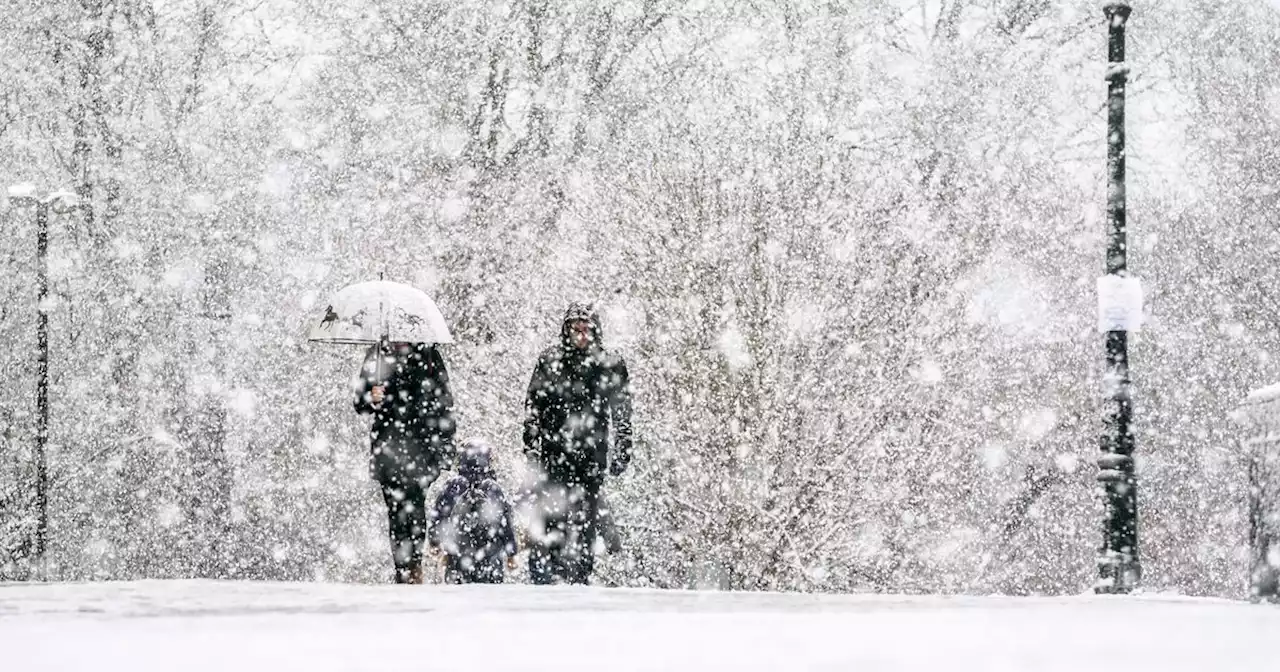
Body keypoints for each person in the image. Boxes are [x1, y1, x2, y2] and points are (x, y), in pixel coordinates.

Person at [521, 302, 633, 584]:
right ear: (566, 330)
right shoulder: (550, 361)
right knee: (554, 515)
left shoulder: (609, 364)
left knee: (586, 517)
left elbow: (622, 410)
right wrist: (531, 444)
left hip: (591, 454)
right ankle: (557, 569)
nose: (581, 335)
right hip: (554, 451)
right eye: (576, 329)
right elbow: (534, 405)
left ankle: (581, 573)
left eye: (586, 329)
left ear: (595, 331)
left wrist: (623, 445)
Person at [353, 340, 456, 584]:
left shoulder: (430, 356)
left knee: (415, 511)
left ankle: (413, 567)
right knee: (396, 514)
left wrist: (445, 451)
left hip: (421, 450)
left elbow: (445, 405)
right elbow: (360, 403)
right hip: (388, 451)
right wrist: (371, 396)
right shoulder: (377, 354)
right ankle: (403, 569)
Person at [428, 439, 519, 584]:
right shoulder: (492, 487)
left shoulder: (455, 485)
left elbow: (440, 515)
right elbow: (504, 522)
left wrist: (434, 542)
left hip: (458, 555)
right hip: (490, 558)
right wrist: (511, 553)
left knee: (458, 602)